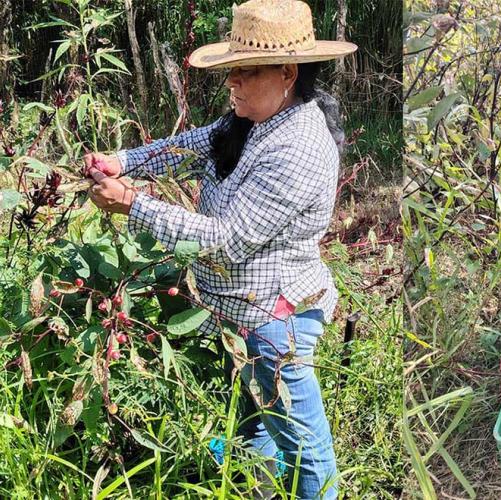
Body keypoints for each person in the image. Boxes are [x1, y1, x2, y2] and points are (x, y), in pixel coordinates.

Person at [82, 1, 357, 498]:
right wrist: (123, 161)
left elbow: (226, 241)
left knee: (304, 446)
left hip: (276, 319)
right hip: (242, 311)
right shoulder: (252, 121)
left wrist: (132, 205)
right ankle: (258, 487)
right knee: (255, 419)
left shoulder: (297, 147)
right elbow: (191, 146)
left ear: (287, 73)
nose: (232, 84)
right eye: (231, 73)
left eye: (244, 74)